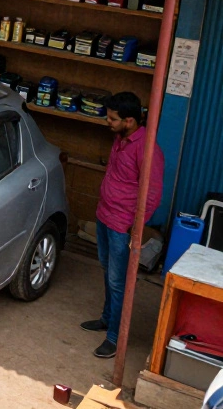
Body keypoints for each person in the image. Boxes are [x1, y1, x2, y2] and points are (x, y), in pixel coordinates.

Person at [82, 92, 164, 359]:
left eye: (113, 119)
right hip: (105, 216)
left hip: (122, 225)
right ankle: (107, 319)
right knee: (107, 273)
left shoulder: (147, 149)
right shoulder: (120, 139)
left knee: (118, 282)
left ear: (130, 120)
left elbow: (151, 195)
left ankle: (115, 338)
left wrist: (135, 228)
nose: (108, 122)